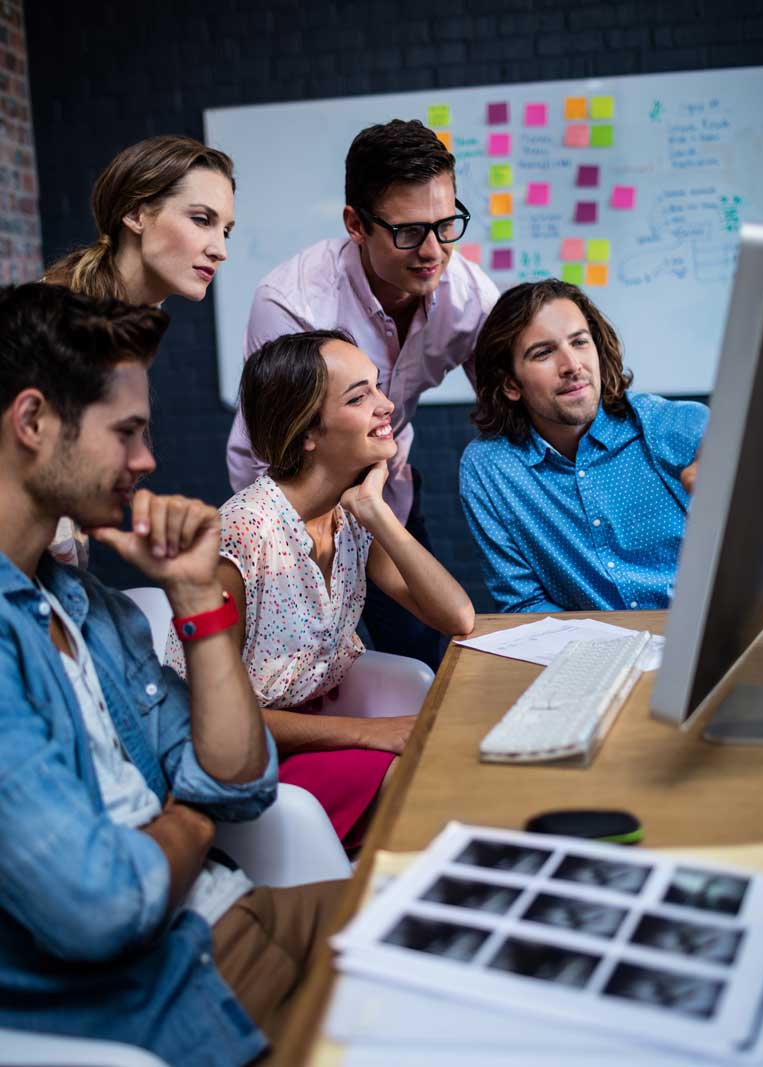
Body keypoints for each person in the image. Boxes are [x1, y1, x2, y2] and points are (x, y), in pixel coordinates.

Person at [0, 283, 343, 1067]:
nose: (148, 460)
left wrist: (194, 596)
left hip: (241, 913)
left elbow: (243, 779)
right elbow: (100, 903)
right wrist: (193, 818)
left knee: (496, 935)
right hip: (171, 996)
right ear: (31, 422)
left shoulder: (90, 605)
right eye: (127, 432)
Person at [172, 329, 474, 848]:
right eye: (358, 397)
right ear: (306, 431)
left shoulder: (351, 515)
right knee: (427, 782)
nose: (385, 406)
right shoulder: (243, 532)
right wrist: (367, 732)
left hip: (310, 740)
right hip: (236, 763)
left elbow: (457, 617)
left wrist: (378, 512)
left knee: (451, 760)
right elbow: (210, 714)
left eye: (377, 387)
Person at [226, 119, 498, 669]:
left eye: (447, 225)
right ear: (355, 223)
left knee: (423, 655)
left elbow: (512, 400)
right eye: (408, 232)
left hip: (382, 491)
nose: (433, 251)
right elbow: (279, 446)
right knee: (290, 667)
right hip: (290, 504)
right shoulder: (294, 303)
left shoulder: (468, 297)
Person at [43, 133, 236, 565]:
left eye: (225, 230)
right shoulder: (66, 325)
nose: (219, 249)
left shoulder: (126, 319)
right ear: (135, 212)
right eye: (201, 219)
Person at [459, 279, 707, 613]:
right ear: (510, 384)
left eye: (579, 342)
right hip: (590, 653)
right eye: (544, 353)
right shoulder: (490, 468)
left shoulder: (678, 428)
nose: (572, 365)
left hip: (702, 639)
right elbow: (524, 603)